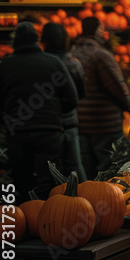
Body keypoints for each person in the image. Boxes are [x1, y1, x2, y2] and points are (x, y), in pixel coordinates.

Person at [0, 22, 78, 200]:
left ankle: (23, 220)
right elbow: (72, 99)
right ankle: (50, 220)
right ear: (37, 41)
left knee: (21, 181)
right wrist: (55, 115)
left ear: (15, 42)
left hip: (18, 134)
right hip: (49, 133)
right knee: (50, 181)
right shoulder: (54, 62)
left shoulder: (5, 65)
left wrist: (8, 118)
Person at [72, 17, 130, 178]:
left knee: (88, 172)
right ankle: (109, 201)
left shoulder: (72, 55)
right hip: (105, 122)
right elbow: (116, 86)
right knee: (110, 169)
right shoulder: (100, 55)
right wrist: (128, 105)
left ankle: (90, 201)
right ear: (98, 29)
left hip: (82, 122)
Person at [41, 23, 86, 180]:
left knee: (50, 169)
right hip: (70, 122)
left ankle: (52, 200)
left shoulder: (42, 65)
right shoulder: (74, 64)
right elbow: (81, 94)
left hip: (47, 125)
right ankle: (83, 199)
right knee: (75, 166)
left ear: (44, 41)